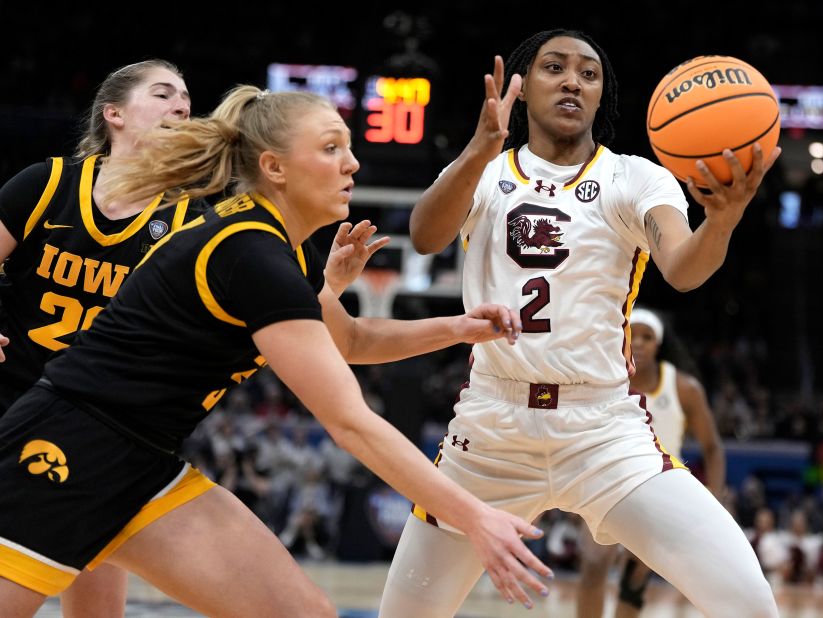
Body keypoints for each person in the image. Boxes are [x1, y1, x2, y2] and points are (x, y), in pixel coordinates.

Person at [0, 85, 553, 617]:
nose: (352, 164)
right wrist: (474, 518)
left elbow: (352, 340)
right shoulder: (250, 254)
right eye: (331, 148)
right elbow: (350, 423)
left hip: (144, 467)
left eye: (350, 148)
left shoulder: (281, 253)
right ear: (274, 167)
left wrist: (456, 328)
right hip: (65, 445)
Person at [379, 29, 782, 617]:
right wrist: (476, 149)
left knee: (750, 604)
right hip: (491, 431)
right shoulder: (487, 172)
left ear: (601, 98)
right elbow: (425, 235)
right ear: (523, 88)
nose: (573, 80)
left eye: (589, 74)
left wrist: (721, 221)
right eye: (554, 68)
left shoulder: (636, 178)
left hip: (603, 431)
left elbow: (683, 268)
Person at [0, 59, 202, 618]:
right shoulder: (47, 184)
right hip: (10, 404)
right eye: (163, 94)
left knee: (94, 600)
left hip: (97, 425)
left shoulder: (193, 222)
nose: (181, 106)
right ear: (113, 113)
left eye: (186, 99)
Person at [575, 307, 726, 618]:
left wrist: (714, 497)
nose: (640, 343)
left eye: (648, 337)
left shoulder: (685, 389)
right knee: (592, 567)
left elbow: (712, 448)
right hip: (605, 484)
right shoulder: (601, 378)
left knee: (635, 581)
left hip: (658, 491)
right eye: (634, 335)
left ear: (659, 343)